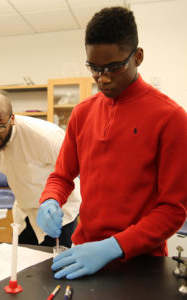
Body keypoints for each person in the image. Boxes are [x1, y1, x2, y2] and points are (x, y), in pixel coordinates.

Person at [37, 6, 187, 280]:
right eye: (94, 68)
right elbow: (61, 176)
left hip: (141, 266)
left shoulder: (171, 118)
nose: (103, 78)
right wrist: (49, 199)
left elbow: (172, 210)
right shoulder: (82, 113)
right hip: (82, 255)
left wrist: (115, 246)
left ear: (137, 57)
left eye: (114, 68)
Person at [0, 93, 81, 247]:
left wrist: (54, 202)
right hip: (24, 212)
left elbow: (76, 169)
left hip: (57, 213)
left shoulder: (44, 137)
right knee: (24, 265)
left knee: (56, 266)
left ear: (12, 119)